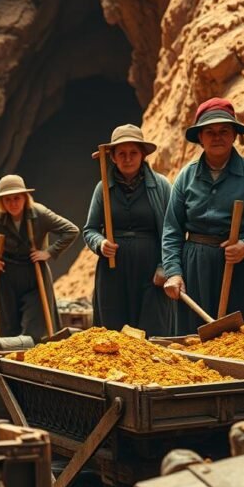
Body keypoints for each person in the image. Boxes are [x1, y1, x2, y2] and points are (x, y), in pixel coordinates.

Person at [162, 98, 244, 334]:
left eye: (224, 131)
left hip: (240, 269)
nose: (217, 136)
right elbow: (172, 230)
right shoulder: (186, 177)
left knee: (242, 340)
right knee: (194, 340)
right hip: (195, 269)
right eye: (209, 131)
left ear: (234, 135)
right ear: (200, 137)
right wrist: (174, 272)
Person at [82, 124, 175, 335]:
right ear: (113, 157)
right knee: (113, 335)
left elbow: (173, 231)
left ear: (142, 154)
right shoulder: (103, 188)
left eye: (133, 152)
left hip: (152, 272)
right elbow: (90, 230)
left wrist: (165, 266)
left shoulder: (161, 186)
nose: (127, 158)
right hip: (113, 272)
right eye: (121, 153)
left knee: (153, 332)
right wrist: (100, 244)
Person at [0, 174, 79, 341]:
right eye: (7, 200)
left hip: (34, 275)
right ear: (1, 202)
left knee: (35, 329)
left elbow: (71, 230)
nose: (13, 203)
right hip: (7, 276)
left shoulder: (39, 213)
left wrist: (48, 252)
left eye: (17, 198)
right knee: (9, 329)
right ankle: (10, 362)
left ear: (25, 197)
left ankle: (31, 362)